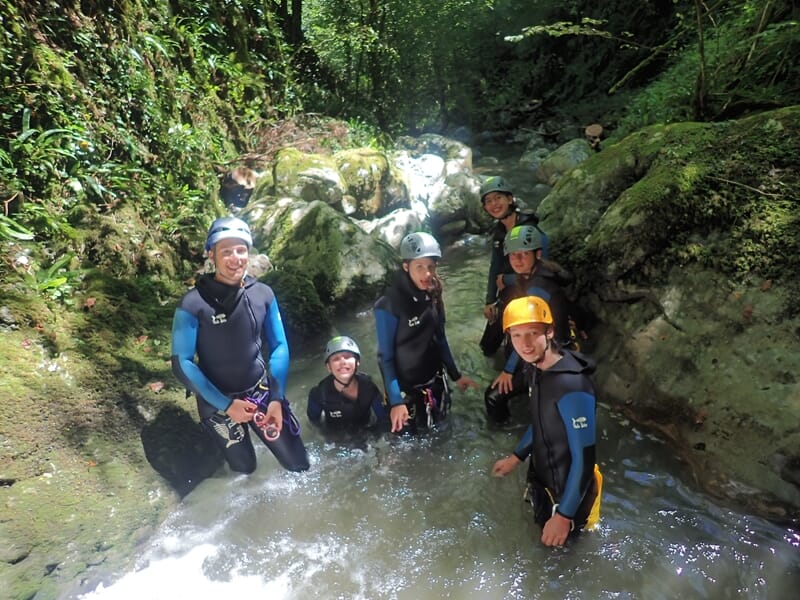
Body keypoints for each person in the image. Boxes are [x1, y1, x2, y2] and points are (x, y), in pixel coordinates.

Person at [171, 216, 310, 474]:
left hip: (261, 393)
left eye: (241, 250)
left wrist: (277, 399)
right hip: (217, 403)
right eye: (226, 251)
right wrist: (226, 405)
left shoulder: (263, 294)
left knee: (299, 465)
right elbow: (182, 363)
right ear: (211, 254)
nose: (235, 258)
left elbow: (280, 345)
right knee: (245, 470)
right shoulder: (193, 304)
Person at [492, 296, 601, 547]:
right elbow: (542, 423)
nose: (525, 344)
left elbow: (585, 460)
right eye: (516, 335)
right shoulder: (536, 367)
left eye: (532, 333)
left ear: (550, 332)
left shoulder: (572, 386)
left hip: (568, 498)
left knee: (562, 566)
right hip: (545, 482)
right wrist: (516, 457)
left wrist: (563, 516)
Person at [374, 231, 479, 434]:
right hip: (406, 392)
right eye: (419, 267)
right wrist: (396, 401)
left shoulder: (433, 293)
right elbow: (384, 358)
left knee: (441, 432)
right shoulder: (388, 305)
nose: (427, 274)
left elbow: (440, 338)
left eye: (431, 267)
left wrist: (456, 375)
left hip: (435, 381)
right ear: (406, 267)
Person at [485, 225, 573, 423]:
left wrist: (508, 371)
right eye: (513, 255)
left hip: (549, 357)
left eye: (524, 254)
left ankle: (503, 433)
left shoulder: (537, 288)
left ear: (538, 254)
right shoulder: (540, 273)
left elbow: (528, 336)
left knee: (492, 397)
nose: (517, 260)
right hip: (549, 348)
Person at [479, 176, 548, 357]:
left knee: (518, 352)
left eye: (498, 198)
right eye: (489, 201)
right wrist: (489, 301)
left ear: (509, 199)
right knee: (487, 347)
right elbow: (495, 266)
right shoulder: (498, 233)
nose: (494, 204)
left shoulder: (530, 229)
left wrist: (507, 279)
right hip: (508, 293)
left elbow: (542, 271)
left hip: (531, 293)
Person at [307, 335, 388, 431]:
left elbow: (383, 420)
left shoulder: (369, 388)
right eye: (336, 359)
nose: (342, 362)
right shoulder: (319, 394)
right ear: (329, 367)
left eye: (347, 357)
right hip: (336, 437)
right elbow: (315, 424)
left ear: (357, 362)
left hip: (365, 432)